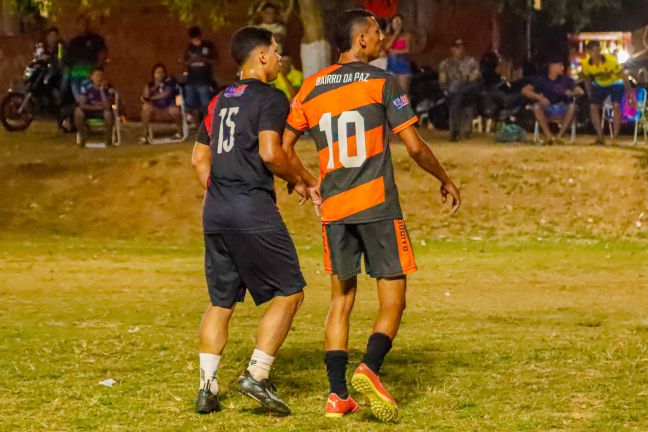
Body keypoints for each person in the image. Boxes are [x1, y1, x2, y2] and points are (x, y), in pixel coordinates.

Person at [282, 8, 461, 422]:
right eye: (378, 31)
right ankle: (370, 368)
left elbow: (281, 148)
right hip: (377, 206)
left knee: (340, 300)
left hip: (335, 211)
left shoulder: (310, 88)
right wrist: (445, 178)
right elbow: (414, 147)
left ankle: (337, 394)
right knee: (394, 298)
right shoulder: (382, 82)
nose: (383, 38)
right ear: (361, 39)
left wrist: (305, 183)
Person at [191, 26, 320, 416]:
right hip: (252, 211)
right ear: (261, 57)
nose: (280, 58)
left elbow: (199, 160)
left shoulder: (218, 100)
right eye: (277, 51)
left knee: (221, 301)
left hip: (216, 212)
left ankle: (207, 388)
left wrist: (223, 191)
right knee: (290, 292)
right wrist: (304, 180)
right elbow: (271, 152)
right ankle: (257, 375)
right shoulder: (271, 97)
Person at [581, 41, 635, 145]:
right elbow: (586, 80)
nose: (596, 53)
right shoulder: (586, 65)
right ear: (588, 52)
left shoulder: (610, 60)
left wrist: (630, 95)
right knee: (593, 107)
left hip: (615, 83)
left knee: (616, 106)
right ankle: (600, 136)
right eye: (593, 51)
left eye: (598, 50)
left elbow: (623, 76)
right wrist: (590, 94)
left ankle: (615, 137)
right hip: (600, 85)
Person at [522, 58, 584, 144]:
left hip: (563, 107)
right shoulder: (542, 80)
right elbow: (525, 90)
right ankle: (549, 136)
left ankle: (559, 136)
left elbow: (580, 91)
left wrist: (572, 93)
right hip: (548, 107)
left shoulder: (567, 80)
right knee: (536, 106)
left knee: (572, 107)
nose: (562, 68)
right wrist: (539, 97)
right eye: (560, 66)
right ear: (552, 67)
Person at [439, 38, 480, 141]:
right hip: (452, 92)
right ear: (452, 49)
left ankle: (456, 131)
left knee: (463, 94)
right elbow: (442, 80)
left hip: (467, 90)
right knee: (455, 98)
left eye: (462, 47)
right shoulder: (446, 64)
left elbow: (474, 77)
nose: (460, 50)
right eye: (457, 48)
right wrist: (446, 90)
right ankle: (458, 130)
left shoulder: (471, 62)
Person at [65, 14, 108, 101]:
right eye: (81, 24)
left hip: (91, 71)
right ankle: (78, 102)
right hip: (76, 72)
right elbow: (68, 58)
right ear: (77, 25)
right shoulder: (73, 42)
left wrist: (97, 68)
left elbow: (103, 53)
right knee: (67, 80)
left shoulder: (96, 39)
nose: (83, 26)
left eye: (85, 23)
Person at [140, 63, 183, 143]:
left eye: (162, 72)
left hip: (168, 107)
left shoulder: (169, 81)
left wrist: (152, 98)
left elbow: (167, 93)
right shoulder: (150, 85)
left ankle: (180, 132)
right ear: (153, 74)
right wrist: (148, 95)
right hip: (155, 109)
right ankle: (144, 136)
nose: (160, 74)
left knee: (175, 110)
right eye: (158, 72)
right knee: (146, 107)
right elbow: (145, 97)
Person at [74, 68, 115, 148]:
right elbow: (82, 104)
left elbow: (107, 106)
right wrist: (97, 107)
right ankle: (82, 138)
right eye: (96, 76)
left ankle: (108, 140)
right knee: (78, 112)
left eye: (100, 76)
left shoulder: (109, 89)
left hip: (102, 113)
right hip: (89, 112)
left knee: (108, 113)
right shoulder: (86, 88)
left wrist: (102, 90)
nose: (99, 78)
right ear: (91, 77)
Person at [183, 26, 217, 124]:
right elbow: (185, 62)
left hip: (204, 81)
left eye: (197, 38)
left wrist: (204, 59)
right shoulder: (189, 47)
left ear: (200, 36)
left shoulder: (208, 46)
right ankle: (197, 125)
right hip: (191, 81)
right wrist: (192, 60)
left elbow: (216, 61)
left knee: (206, 105)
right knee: (191, 105)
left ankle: (208, 126)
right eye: (193, 39)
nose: (195, 41)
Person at [384, 14, 412, 91]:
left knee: (403, 93)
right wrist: (396, 33)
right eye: (395, 21)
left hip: (403, 64)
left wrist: (398, 52)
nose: (398, 24)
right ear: (391, 24)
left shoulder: (407, 35)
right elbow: (387, 47)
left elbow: (408, 50)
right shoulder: (388, 36)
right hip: (391, 65)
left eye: (400, 21)